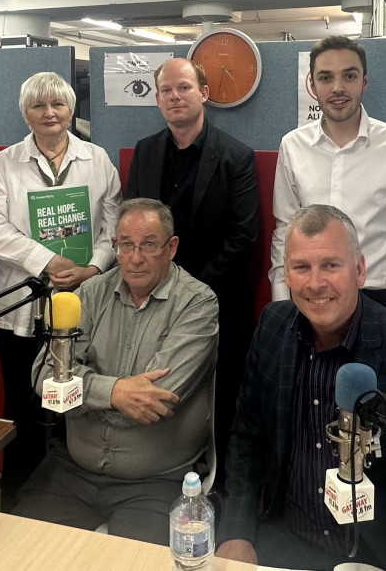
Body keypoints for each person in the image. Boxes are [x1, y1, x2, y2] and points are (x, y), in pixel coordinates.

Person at [218, 204, 386, 571]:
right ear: (285, 274)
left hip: (377, 554)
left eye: (330, 265)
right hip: (287, 542)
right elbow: (246, 437)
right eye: (301, 267)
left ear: (359, 270)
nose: (315, 283)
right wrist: (236, 532)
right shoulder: (272, 328)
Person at [14, 198, 218, 544]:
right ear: (115, 247)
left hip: (157, 479)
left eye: (148, 245)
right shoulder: (89, 294)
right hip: (73, 469)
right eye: (126, 245)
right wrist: (115, 394)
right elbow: (44, 378)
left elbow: (155, 402)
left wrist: (80, 390)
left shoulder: (197, 303)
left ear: (171, 248)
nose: (135, 258)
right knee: (18, 551)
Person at [0, 71, 122, 507]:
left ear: (70, 110)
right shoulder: (6, 163)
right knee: (22, 404)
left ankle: (68, 496)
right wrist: (46, 261)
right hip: (20, 300)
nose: (49, 113)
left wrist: (92, 266)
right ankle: (17, 497)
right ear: (26, 113)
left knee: (72, 401)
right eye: (39, 106)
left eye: (57, 104)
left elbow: (113, 222)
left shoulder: (97, 159)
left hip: (80, 298)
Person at [124, 57, 258, 486]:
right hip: (147, 301)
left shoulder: (236, 156)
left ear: (203, 93)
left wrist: (191, 291)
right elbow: (131, 224)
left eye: (183, 87)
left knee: (219, 402)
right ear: (158, 98)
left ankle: (221, 488)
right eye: (166, 90)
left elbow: (243, 235)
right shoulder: (145, 152)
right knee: (156, 387)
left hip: (216, 301)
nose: (175, 96)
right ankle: (157, 477)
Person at [270, 35, 386, 329]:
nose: (337, 88)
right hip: (312, 299)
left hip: (380, 301)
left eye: (349, 75)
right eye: (326, 77)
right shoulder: (292, 146)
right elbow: (284, 230)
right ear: (312, 85)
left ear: (364, 81)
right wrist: (282, 302)